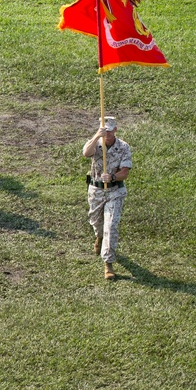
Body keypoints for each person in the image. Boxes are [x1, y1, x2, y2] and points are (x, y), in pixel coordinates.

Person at [83, 115, 131, 281]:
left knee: (111, 226)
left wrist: (111, 177)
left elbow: (125, 172)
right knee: (97, 222)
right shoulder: (96, 143)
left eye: (109, 131)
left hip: (114, 191)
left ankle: (108, 263)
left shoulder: (123, 147)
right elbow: (86, 153)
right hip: (96, 191)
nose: (107, 135)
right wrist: (97, 135)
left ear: (115, 130)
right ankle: (99, 236)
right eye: (104, 131)